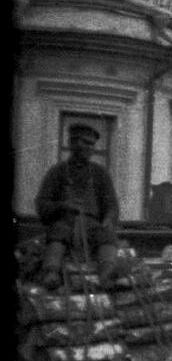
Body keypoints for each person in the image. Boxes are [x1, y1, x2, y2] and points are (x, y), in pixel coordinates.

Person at [35, 121, 121, 285]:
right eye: (84, 142)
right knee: (58, 233)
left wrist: (109, 219)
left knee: (107, 236)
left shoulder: (100, 173)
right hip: (64, 222)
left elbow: (111, 204)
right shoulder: (57, 172)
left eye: (91, 144)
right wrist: (62, 206)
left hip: (92, 224)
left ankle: (106, 274)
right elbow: (42, 204)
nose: (89, 147)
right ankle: (52, 272)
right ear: (72, 143)